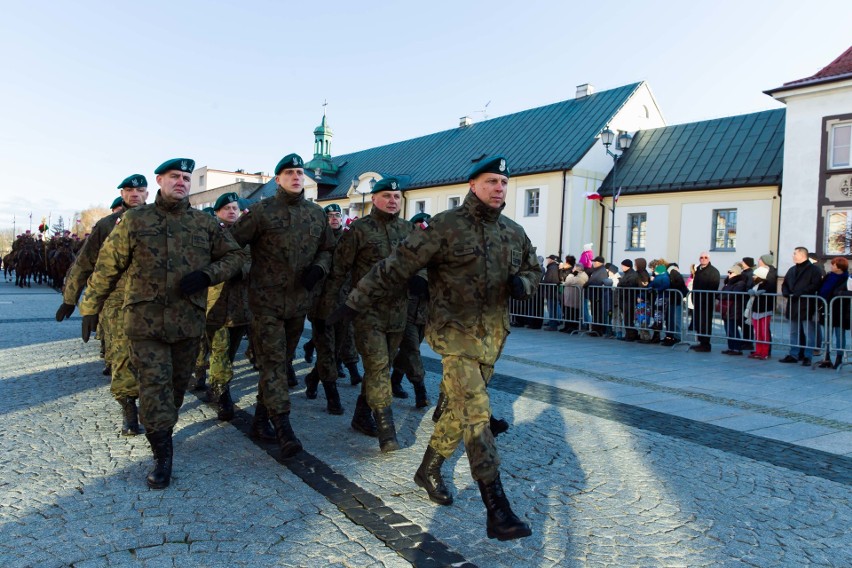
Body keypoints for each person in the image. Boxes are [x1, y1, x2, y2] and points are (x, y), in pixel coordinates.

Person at [329, 155, 538, 541]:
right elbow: (395, 266)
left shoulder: (513, 232)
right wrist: (353, 301)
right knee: (477, 414)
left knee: (458, 414)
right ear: (472, 185)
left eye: (504, 183)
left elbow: (533, 268)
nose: (498, 189)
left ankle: (428, 468)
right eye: (491, 181)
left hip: (492, 338)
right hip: (454, 335)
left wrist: (524, 283)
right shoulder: (445, 226)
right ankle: (498, 508)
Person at [79, 158, 244, 489]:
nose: (181, 182)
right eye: (174, 177)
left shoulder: (203, 224)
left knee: (176, 389)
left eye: (186, 177)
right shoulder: (135, 220)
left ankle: (163, 429)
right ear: (159, 180)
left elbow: (235, 257)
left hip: (188, 323)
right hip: (145, 324)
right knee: (154, 388)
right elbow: (107, 266)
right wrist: (89, 307)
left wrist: (206, 275)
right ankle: (162, 454)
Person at [230, 153, 336, 457]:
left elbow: (328, 249)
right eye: (288, 172)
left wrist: (320, 268)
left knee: (282, 362)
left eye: (299, 172)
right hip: (266, 304)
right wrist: (246, 271)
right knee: (274, 363)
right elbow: (232, 245)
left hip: (298, 304)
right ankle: (283, 426)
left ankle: (260, 419)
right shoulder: (261, 212)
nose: (295, 177)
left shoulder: (315, 214)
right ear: (278, 179)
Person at [319, 177, 421, 452]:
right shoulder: (359, 231)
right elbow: (339, 270)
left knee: (383, 367)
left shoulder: (408, 229)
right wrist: (329, 307)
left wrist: (420, 279)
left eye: (397, 197)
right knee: (376, 366)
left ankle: (361, 416)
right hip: (366, 312)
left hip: (398, 312)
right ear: (374, 199)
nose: (392, 201)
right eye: (386, 195)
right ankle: (387, 431)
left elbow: (421, 261)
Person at [56, 173, 149, 436]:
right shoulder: (107, 225)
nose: (134, 194)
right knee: (121, 356)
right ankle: (129, 408)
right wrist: (71, 299)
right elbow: (85, 261)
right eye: (129, 190)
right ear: (122, 195)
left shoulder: (161, 221)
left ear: (147, 193)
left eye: (139, 190)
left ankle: (154, 405)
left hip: (155, 302)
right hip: (117, 300)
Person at [303, 203, 358, 414]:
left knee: (335, 353)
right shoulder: (315, 241)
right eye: (330, 216)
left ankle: (312, 378)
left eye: (337, 215)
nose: (334, 219)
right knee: (326, 351)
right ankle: (332, 396)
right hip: (320, 305)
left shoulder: (349, 239)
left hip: (344, 304)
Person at [204, 192, 251, 421]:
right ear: (217, 212)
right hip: (216, 303)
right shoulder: (210, 234)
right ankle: (222, 394)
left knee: (230, 353)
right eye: (227, 208)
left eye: (235, 207)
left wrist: (242, 269)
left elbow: (254, 262)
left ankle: (215, 382)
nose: (232, 211)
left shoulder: (247, 236)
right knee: (220, 351)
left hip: (241, 306)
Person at [389, 212, 432, 407]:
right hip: (404, 307)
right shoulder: (403, 251)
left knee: (407, 350)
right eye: (417, 228)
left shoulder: (433, 252)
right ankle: (420, 390)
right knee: (412, 348)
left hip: (424, 311)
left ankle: (395, 381)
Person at [779, 247, 822, 366]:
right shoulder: (792, 269)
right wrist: (786, 292)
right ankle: (794, 354)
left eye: (795, 254)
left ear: (802, 255)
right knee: (793, 332)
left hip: (807, 305)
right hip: (793, 305)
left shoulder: (814, 270)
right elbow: (785, 284)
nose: (793, 256)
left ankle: (808, 356)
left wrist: (801, 292)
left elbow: (815, 285)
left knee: (809, 333)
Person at [817, 257, 850, 369]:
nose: (831, 266)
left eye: (833, 264)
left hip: (840, 310)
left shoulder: (847, 278)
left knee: (839, 335)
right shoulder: (828, 276)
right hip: (826, 308)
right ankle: (826, 358)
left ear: (840, 267)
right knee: (826, 335)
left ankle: (839, 358)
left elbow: (849, 293)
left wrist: (839, 293)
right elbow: (821, 288)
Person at [690, 252, 721, 352]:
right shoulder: (698, 270)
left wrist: (705, 297)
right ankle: (700, 342)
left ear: (709, 259)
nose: (703, 259)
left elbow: (714, 287)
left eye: (705, 257)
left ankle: (706, 344)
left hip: (706, 301)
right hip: (697, 300)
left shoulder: (713, 271)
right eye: (701, 257)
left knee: (705, 323)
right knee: (699, 322)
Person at [720, 264, 748, 355]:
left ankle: (737, 348)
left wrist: (724, 295)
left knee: (733, 329)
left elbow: (733, 294)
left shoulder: (740, 283)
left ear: (736, 273)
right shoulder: (728, 283)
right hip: (726, 309)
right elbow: (721, 294)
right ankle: (731, 347)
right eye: (728, 272)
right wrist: (724, 295)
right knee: (727, 330)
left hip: (734, 309)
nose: (729, 274)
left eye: (731, 272)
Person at [746, 265, 773, 360]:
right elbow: (749, 289)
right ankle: (758, 351)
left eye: (755, 275)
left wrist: (762, 292)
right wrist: (750, 291)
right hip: (756, 310)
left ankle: (765, 352)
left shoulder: (768, 284)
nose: (753, 277)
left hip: (765, 311)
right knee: (757, 333)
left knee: (764, 333)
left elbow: (770, 293)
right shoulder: (755, 285)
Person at [617, 259, 640, 341]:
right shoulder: (626, 274)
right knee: (626, 318)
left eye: (623, 265)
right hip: (624, 298)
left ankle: (631, 335)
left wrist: (620, 283)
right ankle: (629, 334)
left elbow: (630, 284)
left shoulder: (633, 274)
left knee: (628, 318)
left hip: (629, 299)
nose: (622, 267)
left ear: (628, 266)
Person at [542, 254, 562, 330]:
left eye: (549, 259)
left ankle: (553, 325)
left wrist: (543, 282)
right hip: (554, 292)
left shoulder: (552, 268)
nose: (547, 260)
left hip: (552, 292)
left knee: (552, 309)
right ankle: (553, 323)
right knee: (553, 308)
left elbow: (549, 279)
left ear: (552, 260)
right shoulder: (555, 267)